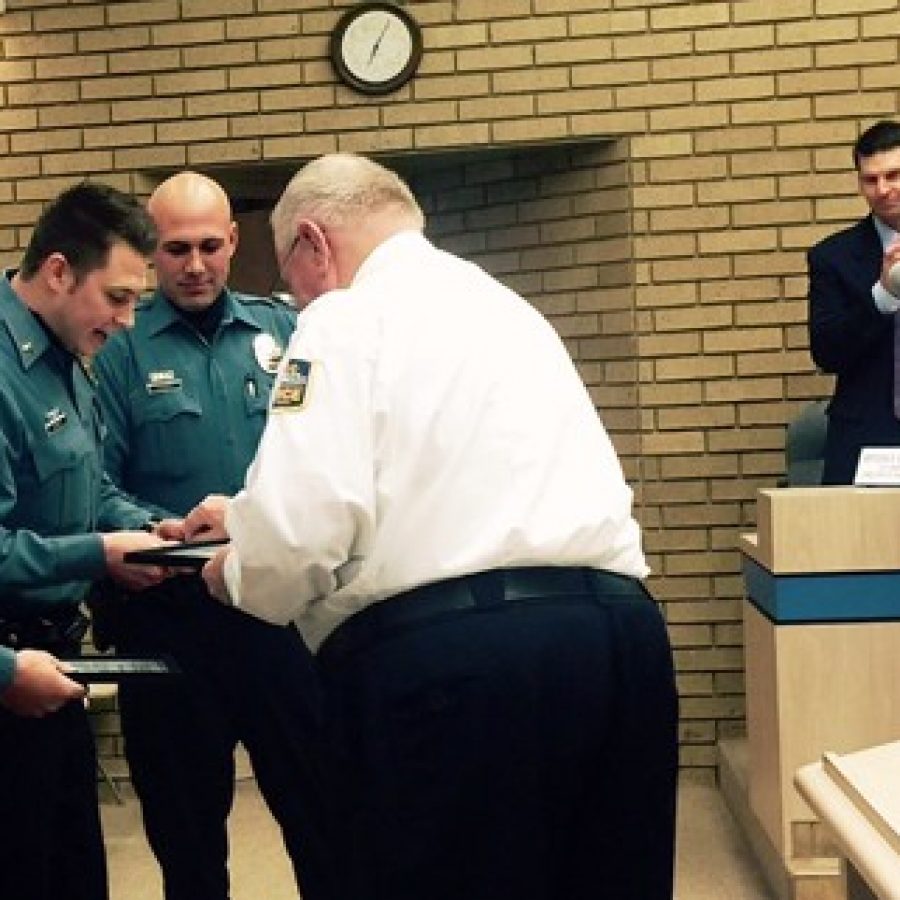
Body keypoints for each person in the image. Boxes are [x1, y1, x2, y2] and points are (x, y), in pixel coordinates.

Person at [185, 153, 679, 900]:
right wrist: (249, 518)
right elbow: (448, 478)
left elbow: (298, 537)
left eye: (292, 274)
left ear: (314, 243)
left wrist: (236, 566)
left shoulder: (338, 318)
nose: (297, 295)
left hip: (458, 667)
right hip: (618, 643)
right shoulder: (509, 308)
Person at [91, 171, 335, 900]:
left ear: (234, 241)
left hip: (277, 619)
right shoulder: (117, 349)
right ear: (149, 251)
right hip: (169, 622)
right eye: (173, 250)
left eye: (208, 246)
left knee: (322, 814)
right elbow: (92, 483)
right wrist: (147, 527)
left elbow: (324, 453)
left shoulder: (286, 331)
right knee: (186, 836)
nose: (194, 265)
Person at [0, 181, 172, 900]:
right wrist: (97, 555)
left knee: (72, 874)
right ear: (60, 271)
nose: (130, 320)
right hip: (11, 673)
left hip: (55, 663)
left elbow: (86, 490)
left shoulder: (69, 357)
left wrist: (150, 529)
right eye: (120, 297)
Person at [809, 119, 900, 484]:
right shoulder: (833, 257)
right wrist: (883, 295)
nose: (884, 189)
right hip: (866, 441)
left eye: (894, 175)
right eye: (871, 180)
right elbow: (826, 352)